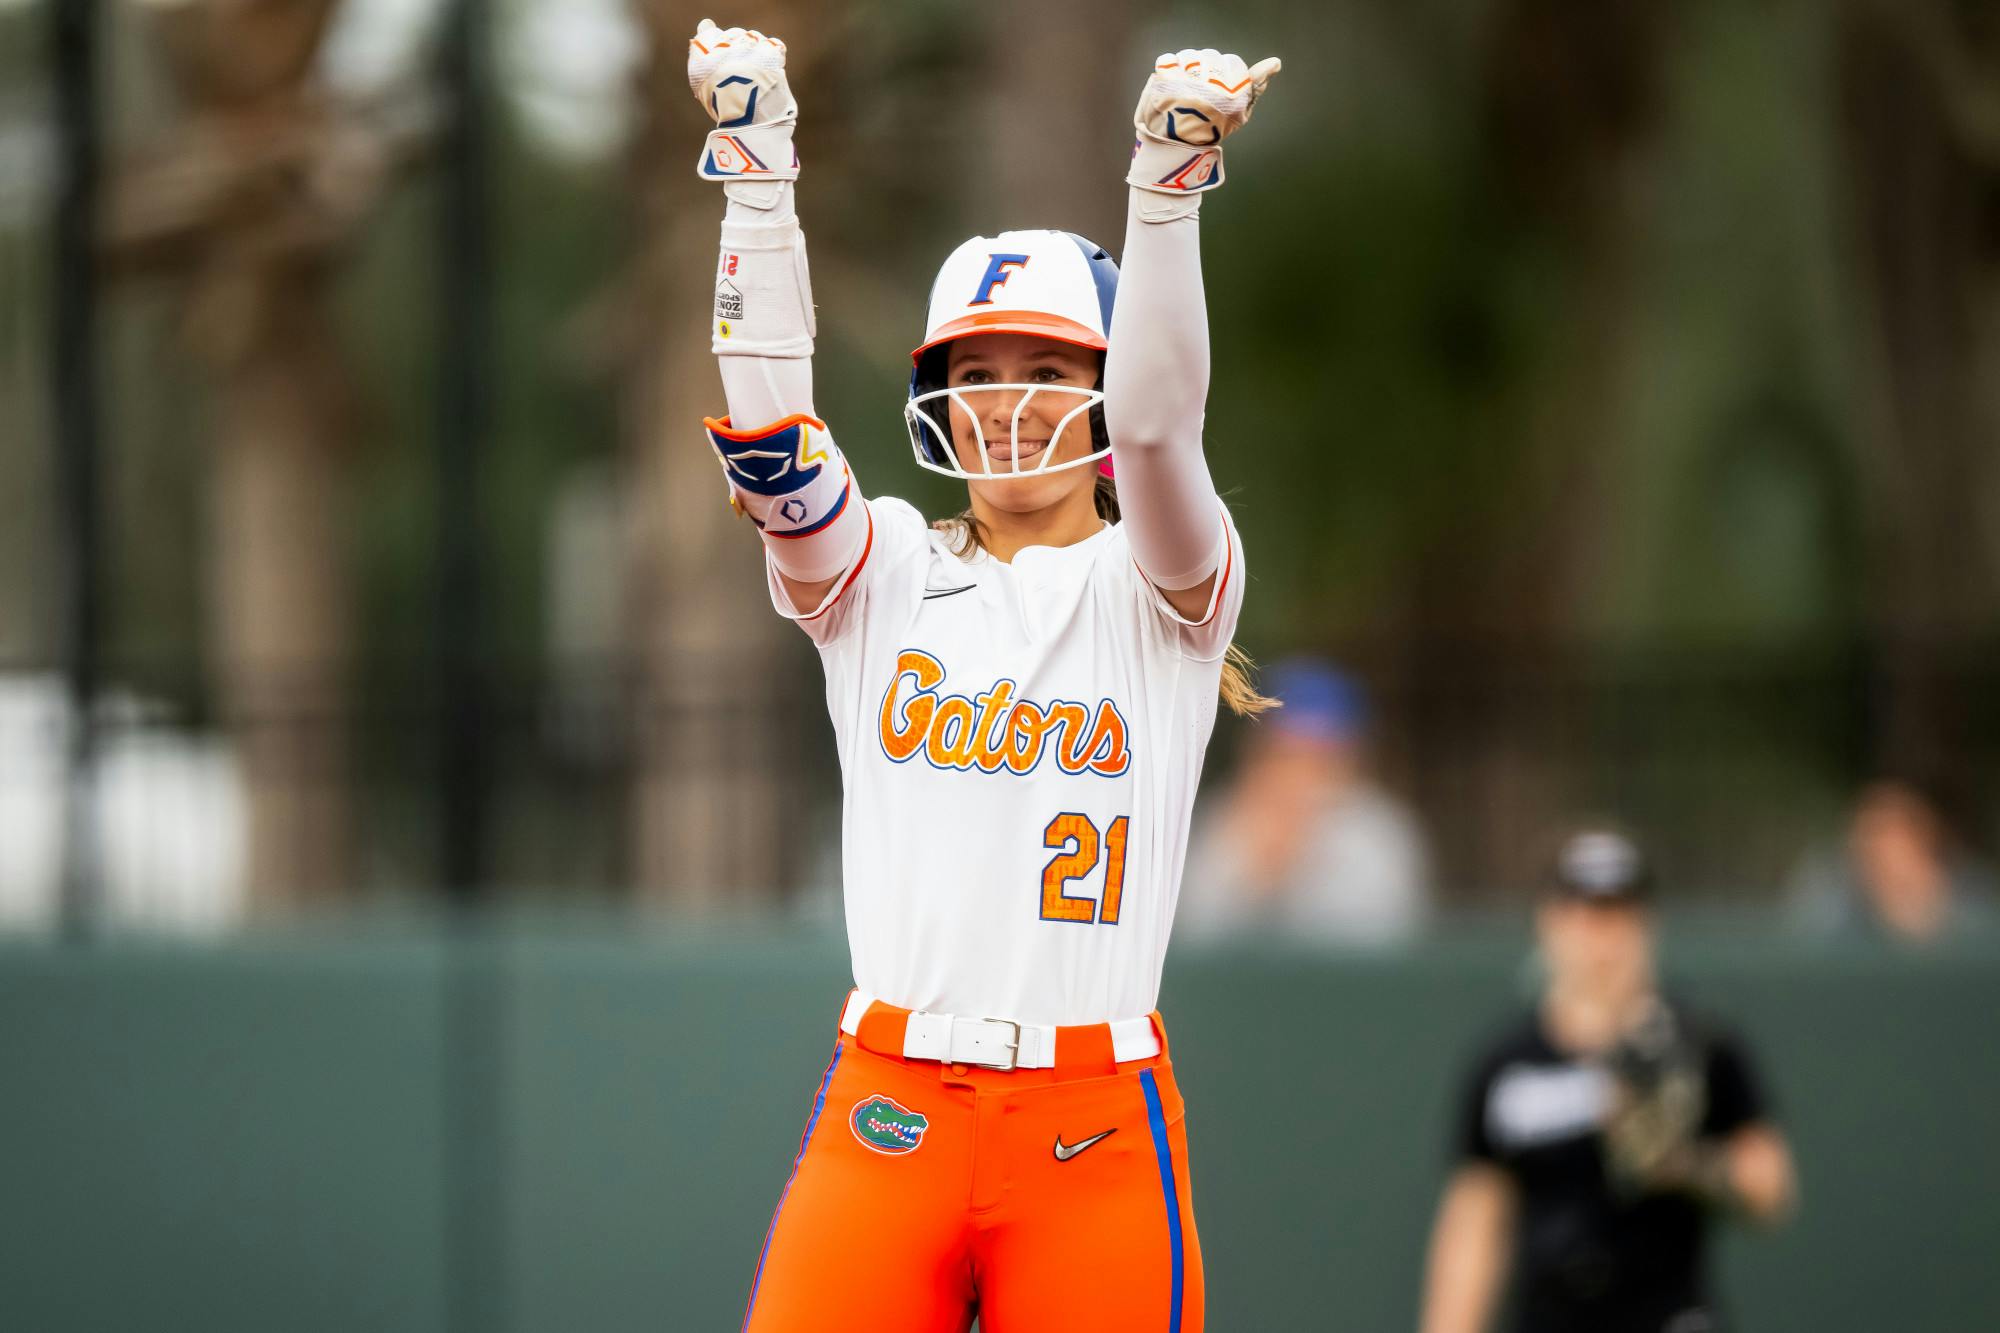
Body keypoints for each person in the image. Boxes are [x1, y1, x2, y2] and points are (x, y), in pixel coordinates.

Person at [686, 22, 1282, 1332]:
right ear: (939, 400)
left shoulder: (1160, 585)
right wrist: (754, 171)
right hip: (888, 1096)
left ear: (1103, 379)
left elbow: (1159, 425)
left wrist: (1164, 184)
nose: (1010, 401)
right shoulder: (887, 564)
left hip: (1090, 1125)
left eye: (1047, 368)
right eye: (981, 371)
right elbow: (772, 444)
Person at [1419, 828, 1796, 1333]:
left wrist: (1688, 1166)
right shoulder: (1509, 1064)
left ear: (1646, 926)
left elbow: (1772, 1189)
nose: (1602, 938)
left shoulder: (1696, 1046)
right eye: (1585, 915)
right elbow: (1475, 1221)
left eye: (1618, 915)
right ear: (1550, 923)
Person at [1179, 658, 1430, 945]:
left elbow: (1379, 944)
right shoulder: (1225, 818)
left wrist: (1298, 859)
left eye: (1320, 754)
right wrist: (1256, 871)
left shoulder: (1379, 831)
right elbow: (1188, 935)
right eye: (1287, 752)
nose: (1301, 770)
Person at [1786, 780, 1999, 945]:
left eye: (1882, 840)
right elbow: (1801, 940)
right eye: (1863, 845)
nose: (1869, 857)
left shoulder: (1973, 898)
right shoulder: (1840, 906)